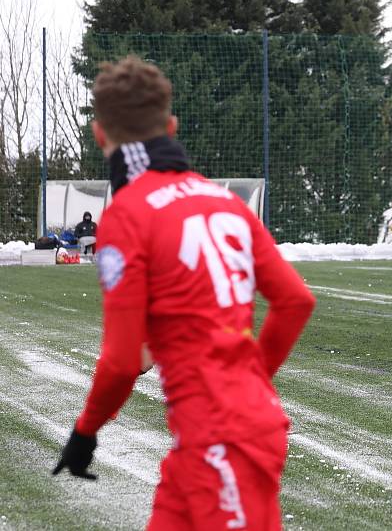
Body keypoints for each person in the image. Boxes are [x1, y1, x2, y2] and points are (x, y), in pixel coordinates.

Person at [51, 56, 316, 530]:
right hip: (210, 441)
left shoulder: (128, 214)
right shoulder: (225, 201)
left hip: (224, 443)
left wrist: (86, 432)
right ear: (170, 126)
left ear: (99, 135)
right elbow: (296, 301)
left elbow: (121, 359)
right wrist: (252, 380)